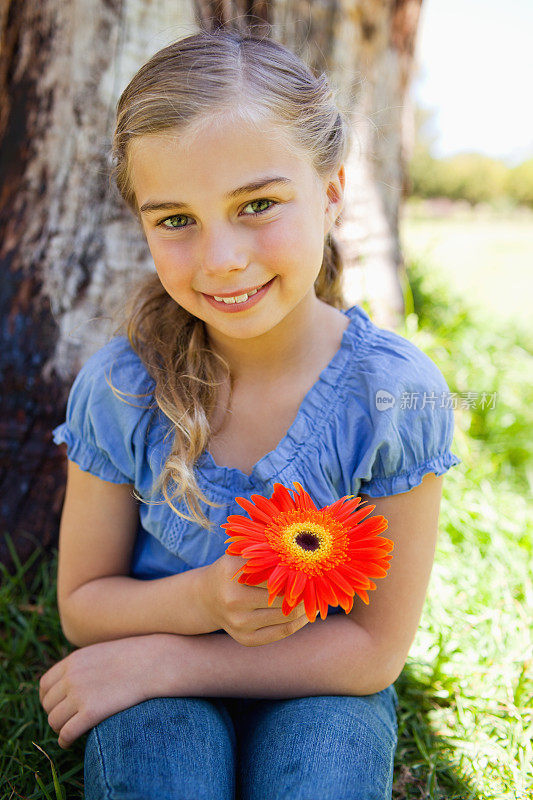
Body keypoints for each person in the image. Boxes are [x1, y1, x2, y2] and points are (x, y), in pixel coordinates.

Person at [38, 28, 461, 800]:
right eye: (175, 220)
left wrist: (175, 657)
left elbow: (370, 650)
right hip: (151, 663)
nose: (221, 258)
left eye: (257, 205)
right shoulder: (122, 390)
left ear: (331, 191)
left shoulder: (396, 394)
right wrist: (198, 603)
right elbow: (83, 605)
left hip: (317, 675)